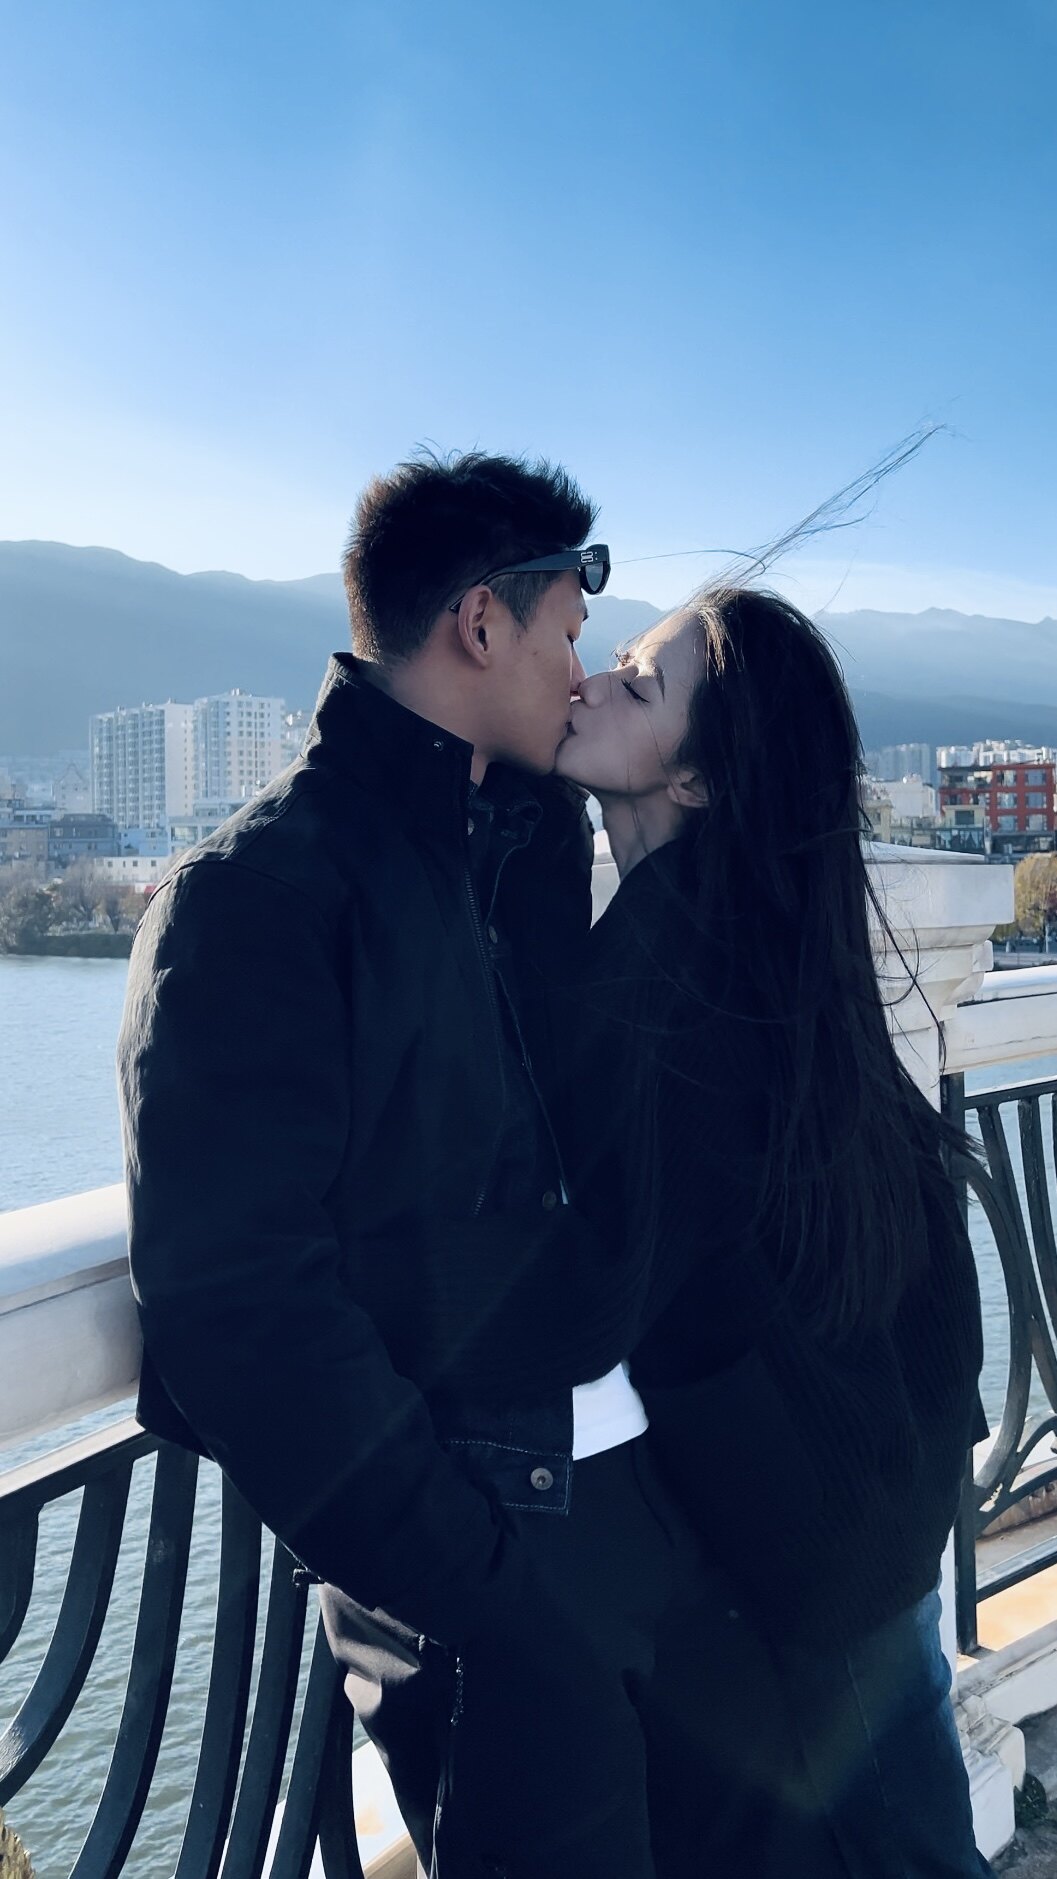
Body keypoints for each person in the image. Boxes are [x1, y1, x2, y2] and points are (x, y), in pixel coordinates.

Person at [119, 451, 723, 1879]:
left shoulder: (514, 855)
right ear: (480, 623)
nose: (581, 673)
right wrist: (489, 1599)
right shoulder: (256, 901)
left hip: (637, 1521)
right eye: (567, 632)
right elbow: (241, 1309)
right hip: (486, 1573)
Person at [553, 585, 994, 1875]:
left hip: (798, 1562)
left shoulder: (656, 990)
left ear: (695, 782)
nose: (588, 681)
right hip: (875, 1524)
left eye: (638, 685)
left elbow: (593, 1291)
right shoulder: (776, 962)